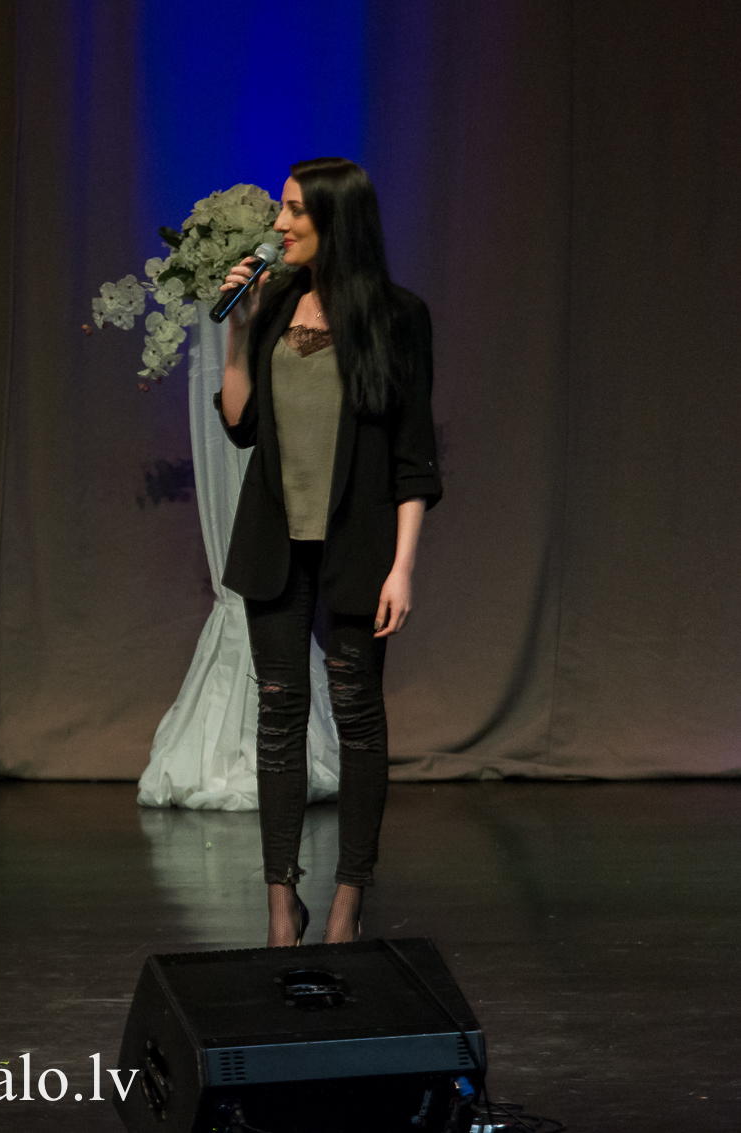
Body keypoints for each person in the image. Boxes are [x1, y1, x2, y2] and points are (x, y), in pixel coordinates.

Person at [215, 158, 441, 948]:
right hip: (274, 548)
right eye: (280, 210)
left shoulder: (399, 318)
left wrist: (402, 567)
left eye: (294, 211)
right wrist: (237, 330)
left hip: (358, 550)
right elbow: (240, 424)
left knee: (358, 719)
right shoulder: (275, 302)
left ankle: (348, 902)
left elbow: (413, 458)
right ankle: (282, 906)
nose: (279, 225)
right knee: (279, 717)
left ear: (336, 220)